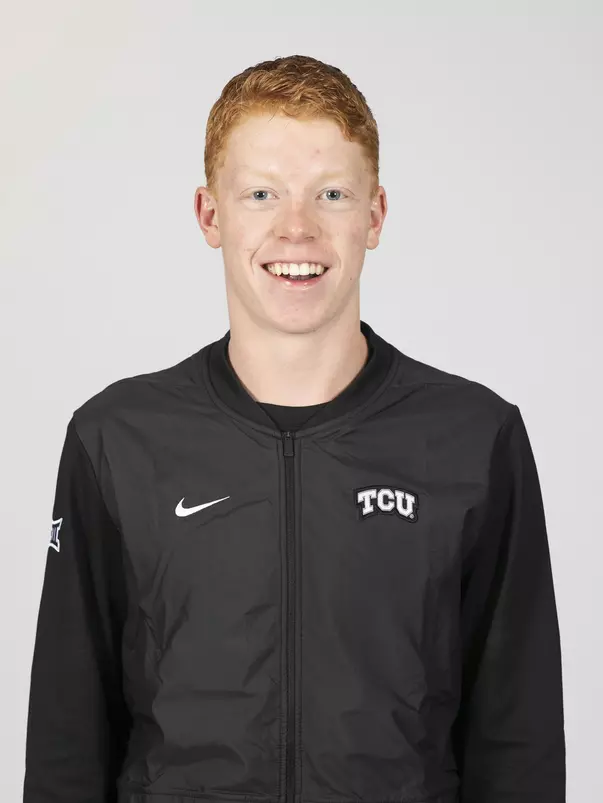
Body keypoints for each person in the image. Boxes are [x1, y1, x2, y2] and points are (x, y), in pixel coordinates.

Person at [23, 55, 566, 803]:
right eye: (260, 194)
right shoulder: (117, 439)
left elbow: (518, 739)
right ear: (210, 215)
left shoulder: (473, 439)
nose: (297, 228)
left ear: (374, 216)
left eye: (332, 194)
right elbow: (65, 738)